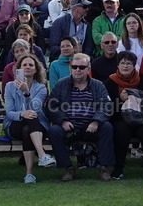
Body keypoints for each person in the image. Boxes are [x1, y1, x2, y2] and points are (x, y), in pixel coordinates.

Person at [45, 52, 115, 181]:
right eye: (74, 67)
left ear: (88, 69)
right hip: (69, 126)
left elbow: (107, 106)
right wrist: (63, 120)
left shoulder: (98, 85)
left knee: (107, 127)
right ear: (70, 68)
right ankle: (68, 168)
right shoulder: (61, 84)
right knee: (54, 131)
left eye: (82, 67)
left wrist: (96, 121)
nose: (78, 70)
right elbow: (51, 105)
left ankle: (104, 167)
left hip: (91, 126)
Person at [104, 50, 143, 180]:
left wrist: (137, 99)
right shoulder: (110, 81)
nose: (125, 66)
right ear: (118, 65)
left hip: (141, 117)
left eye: (129, 63)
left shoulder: (142, 79)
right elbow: (107, 105)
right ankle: (118, 168)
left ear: (134, 65)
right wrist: (121, 100)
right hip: (120, 117)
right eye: (122, 63)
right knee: (121, 130)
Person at [4, 54, 54, 182]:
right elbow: (9, 112)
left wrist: (27, 93)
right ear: (19, 69)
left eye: (31, 65)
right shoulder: (9, 86)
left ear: (36, 69)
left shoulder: (41, 87)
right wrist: (22, 114)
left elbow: (35, 108)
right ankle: (42, 154)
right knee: (29, 117)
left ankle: (29, 174)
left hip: (36, 125)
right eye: (24, 65)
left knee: (28, 126)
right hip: (14, 124)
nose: (27, 67)